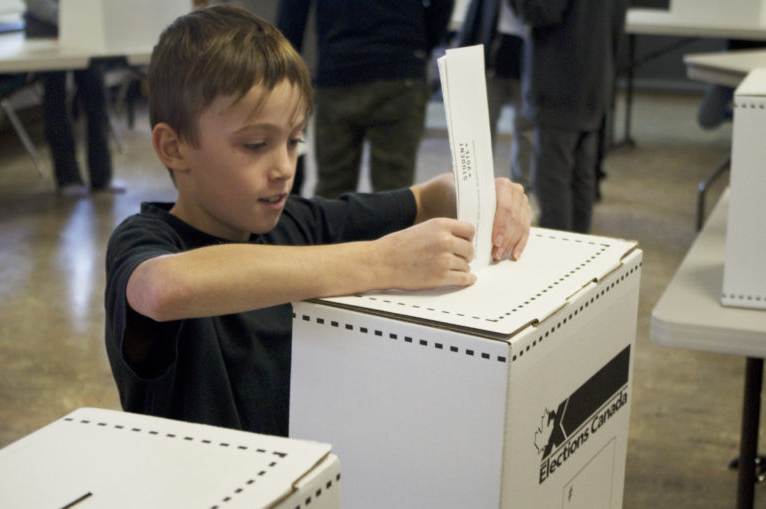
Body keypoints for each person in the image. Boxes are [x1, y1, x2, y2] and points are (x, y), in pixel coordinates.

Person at [104, 5, 531, 437]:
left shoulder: (296, 223)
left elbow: (428, 195)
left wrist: (486, 192)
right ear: (173, 147)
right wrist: (382, 262)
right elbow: (161, 289)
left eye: (293, 141)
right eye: (255, 145)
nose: (284, 168)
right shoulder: (146, 240)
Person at [276, 0, 454, 198]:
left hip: (339, 65)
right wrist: (421, 45)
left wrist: (285, 68)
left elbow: (293, 11)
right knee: (394, 190)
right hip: (400, 66)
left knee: (333, 188)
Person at [509, 0, 626, 233]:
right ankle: (579, 251)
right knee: (581, 177)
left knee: (554, 181)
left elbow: (540, 11)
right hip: (594, 75)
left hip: (561, 81)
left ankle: (558, 259)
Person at [24, 0, 121, 197]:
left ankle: (102, 177)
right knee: (55, 103)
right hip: (46, 32)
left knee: (97, 99)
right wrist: (72, 20)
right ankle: (68, 178)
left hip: (83, 32)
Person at [456, 0, 533, 193]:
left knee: (526, 132)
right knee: (481, 130)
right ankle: (477, 194)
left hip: (529, 62)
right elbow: (475, 13)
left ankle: (521, 193)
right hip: (492, 57)